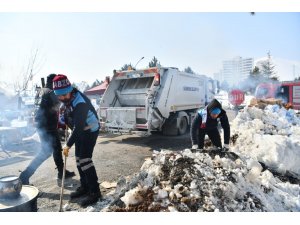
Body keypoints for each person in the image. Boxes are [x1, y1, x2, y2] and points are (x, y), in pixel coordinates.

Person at [52, 74, 101, 207]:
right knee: (79, 159)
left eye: (64, 95)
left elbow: (79, 127)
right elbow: (70, 116)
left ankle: (95, 192)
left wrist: (67, 145)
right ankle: (85, 186)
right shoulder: (67, 98)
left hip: (90, 130)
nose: (61, 98)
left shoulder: (80, 103)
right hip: (80, 129)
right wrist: (64, 119)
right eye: (59, 96)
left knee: (85, 160)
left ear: (69, 90)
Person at [19, 74, 75, 185]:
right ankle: (24, 176)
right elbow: (60, 104)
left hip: (42, 125)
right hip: (47, 126)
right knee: (46, 152)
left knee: (57, 149)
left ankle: (61, 172)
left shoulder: (40, 92)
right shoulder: (50, 92)